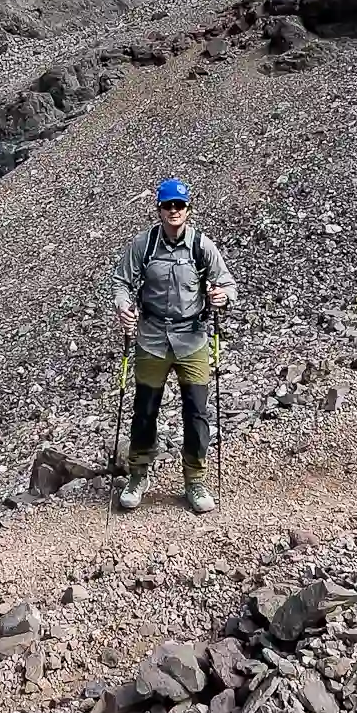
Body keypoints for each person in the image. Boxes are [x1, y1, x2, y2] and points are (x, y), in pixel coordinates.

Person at [110, 177, 236, 513]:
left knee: (196, 411)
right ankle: (138, 475)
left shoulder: (201, 245)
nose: (174, 210)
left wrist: (222, 296)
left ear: (188, 209)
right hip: (151, 338)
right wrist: (123, 307)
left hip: (193, 338)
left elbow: (227, 283)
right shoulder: (144, 244)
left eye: (179, 205)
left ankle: (195, 481)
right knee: (145, 410)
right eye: (168, 205)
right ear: (159, 209)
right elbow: (122, 281)